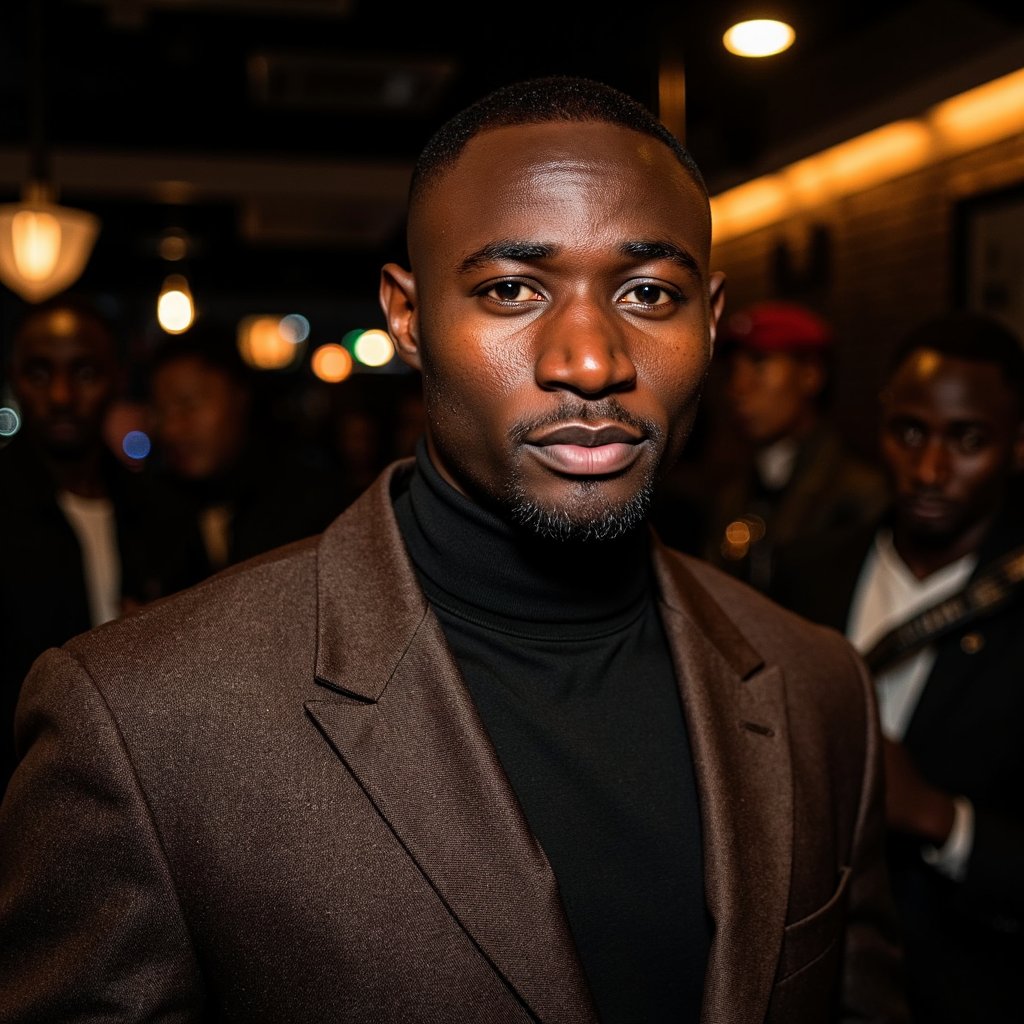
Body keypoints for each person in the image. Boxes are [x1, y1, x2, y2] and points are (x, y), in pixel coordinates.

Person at [0, 76, 910, 1023]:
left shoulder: (816, 688)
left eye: (648, 292)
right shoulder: (144, 722)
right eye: (512, 290)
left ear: (711, 320)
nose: (591, 361)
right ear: (407, 316)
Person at [771, 311, 1024, 1024]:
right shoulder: (808, 574)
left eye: (969, 441)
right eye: (910, 433)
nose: (930, 470)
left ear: (1016, 444)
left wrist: (943, 820)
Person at [0, 295, 181, 796]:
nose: (60, 395)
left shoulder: (160, 514)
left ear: (118, 378)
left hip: (146, 794)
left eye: (84, 373)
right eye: (39, 374)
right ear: (14, 377)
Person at [700, 300, 888, 592]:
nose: (738, 386)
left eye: (759, 363)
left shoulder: (858, 494)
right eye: (732, 369)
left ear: (810, 374)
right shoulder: (733, 492)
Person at [146, 324, 348, 581]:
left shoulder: (311, 506)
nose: (172, 429)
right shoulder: (148, 513)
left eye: (189, 404)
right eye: (162, 412)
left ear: (240, 395)